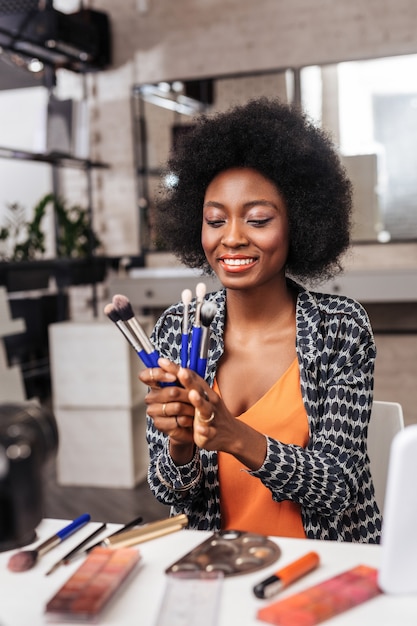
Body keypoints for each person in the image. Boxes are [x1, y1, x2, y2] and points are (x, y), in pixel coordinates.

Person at [139, 97, 382, 543]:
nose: (231, 237)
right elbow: (170, 492)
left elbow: (339, 489)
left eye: (257, 219)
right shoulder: (180, 327)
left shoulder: (340, 329)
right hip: (219, 566)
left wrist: (234, 435)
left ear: (299, 223)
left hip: (324, 569)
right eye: (215, 220)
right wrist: (180, 445)